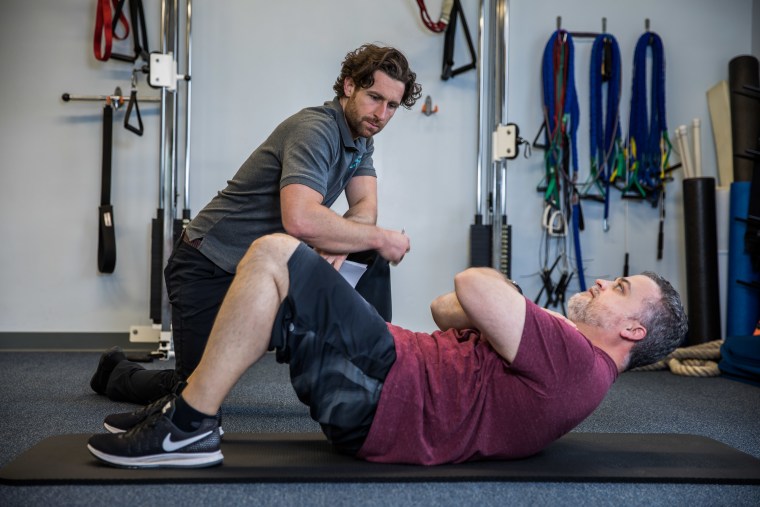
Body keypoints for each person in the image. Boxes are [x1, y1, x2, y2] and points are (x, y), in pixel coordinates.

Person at [87, 233, 688, 468]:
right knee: (276, 282)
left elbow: (473, 286)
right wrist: (511, 312)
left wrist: (519, 303)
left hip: (389, 389)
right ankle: (188, 409)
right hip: (391, 379)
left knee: (275, 253)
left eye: (622, 289)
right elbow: (444, 310)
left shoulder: (573, 356)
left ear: (633, 331)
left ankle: (189, 426)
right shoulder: (567, 360)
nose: (605, 282)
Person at [89, 44, 422, 407]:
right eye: (375, 97)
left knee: (364, 255)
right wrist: (374, 237)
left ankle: (371, 388)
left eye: (392, 105)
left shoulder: (361, 139)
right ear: (348, 86)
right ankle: (115, 372)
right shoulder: (316, 130)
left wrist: (342, 241)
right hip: (206, 265)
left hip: (259, 270)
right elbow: (300, 219)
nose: (381, 114)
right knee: (193, 393)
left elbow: (363, 207)